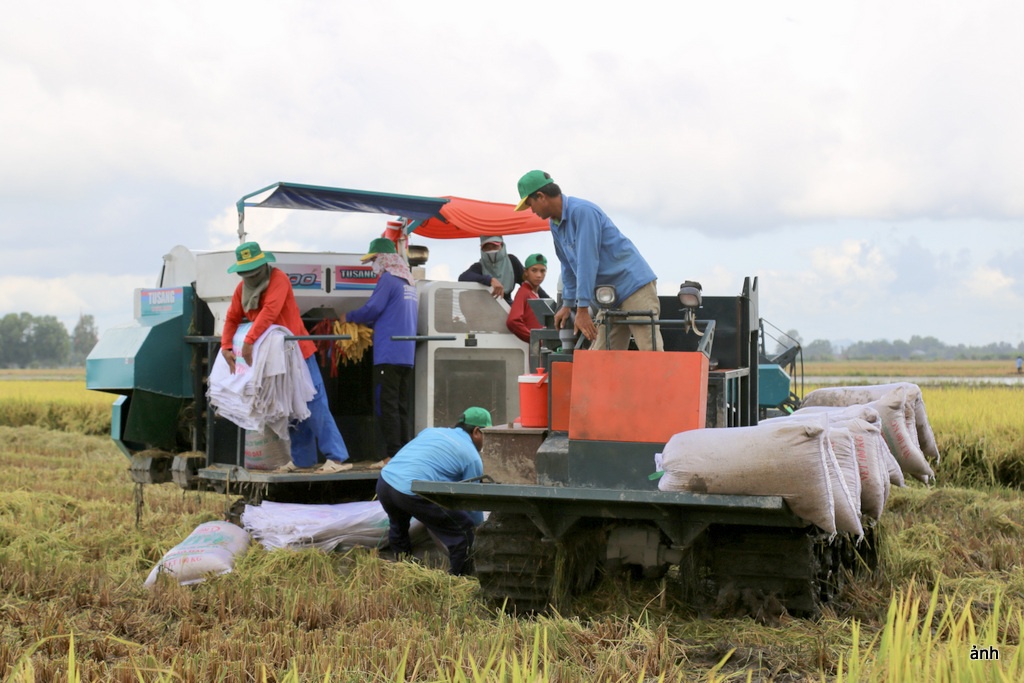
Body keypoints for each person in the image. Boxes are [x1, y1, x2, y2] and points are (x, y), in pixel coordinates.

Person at [220, 241, 352, 473]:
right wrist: (226, 346)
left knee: (314, 402)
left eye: (254, 271)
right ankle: (303, 460)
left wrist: (249, 341)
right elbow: (232, 317)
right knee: (291, 406)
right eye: (246, 273)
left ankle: (337, 458)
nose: (250, 277)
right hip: (273, 359)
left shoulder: (278, 279)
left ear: (264, 266)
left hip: (297, 353)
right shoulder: (242, 290)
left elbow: (270, 311)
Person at [515, 170, 664, 352]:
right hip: (609, 297)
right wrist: (568, 304)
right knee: (600, 357)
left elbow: (587, 260)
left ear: (541, 196)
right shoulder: (554, 224)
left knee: (651, 352)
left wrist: (583, 309)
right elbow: (567, 265)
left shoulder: (583, 212)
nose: (532, 211)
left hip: (633, 285)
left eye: (530, 204)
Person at [375, 406, 491, 576]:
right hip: (410, 490)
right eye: (487, 435)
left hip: (385, 482)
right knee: (463, 532)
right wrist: (481, 531)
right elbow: (471, 506)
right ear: (476, 432)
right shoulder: (472, 457)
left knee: (399, 527)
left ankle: (403, 572)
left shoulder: (431, 432)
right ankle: (459, 581)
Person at [340, 237, 418, 465]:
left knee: (386, 405)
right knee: (401, 406)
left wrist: (349, 317)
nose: (373, 265)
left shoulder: (388, 279)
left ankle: (391, 455)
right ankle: (402, 452)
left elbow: (373, 308)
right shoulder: (408, 281)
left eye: (373, 259)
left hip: (388, 354)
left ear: (383, 258)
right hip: (405, 355)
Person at [458, 235, 546, 304]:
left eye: (495, 246)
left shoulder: (512, 262)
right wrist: (490, 280)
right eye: (487, 248)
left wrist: (553, 305)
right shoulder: (479, 266)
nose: (491, 250)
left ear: (502, 246)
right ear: (482, 249)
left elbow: (531, 284)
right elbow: (463, 278)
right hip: (486, 308)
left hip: (507, 308)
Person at [506, 253, 548, 343]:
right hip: (531, 353)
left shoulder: (535, 294)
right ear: (526, 272)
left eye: (542, 271)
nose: (539, 275)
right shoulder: (524, 292)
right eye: (534, 270)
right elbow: (513, 321)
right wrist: (534, 339)